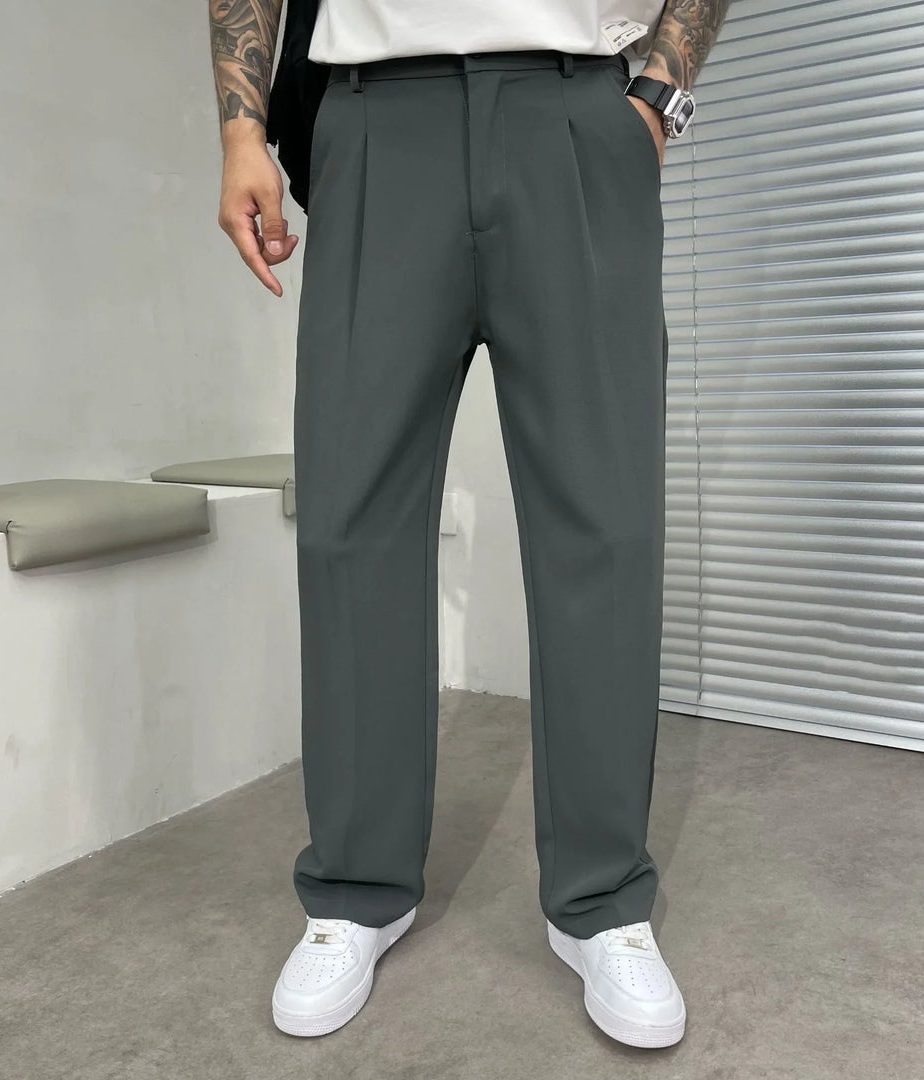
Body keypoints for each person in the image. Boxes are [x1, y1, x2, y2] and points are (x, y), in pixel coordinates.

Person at [210, 0, 729, 1049]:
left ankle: (603, 901)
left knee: (607, 522)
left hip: (578, 113)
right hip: (371, 120)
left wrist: (658, 97)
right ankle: (357, 890)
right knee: (353, 520)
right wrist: (241, 129)